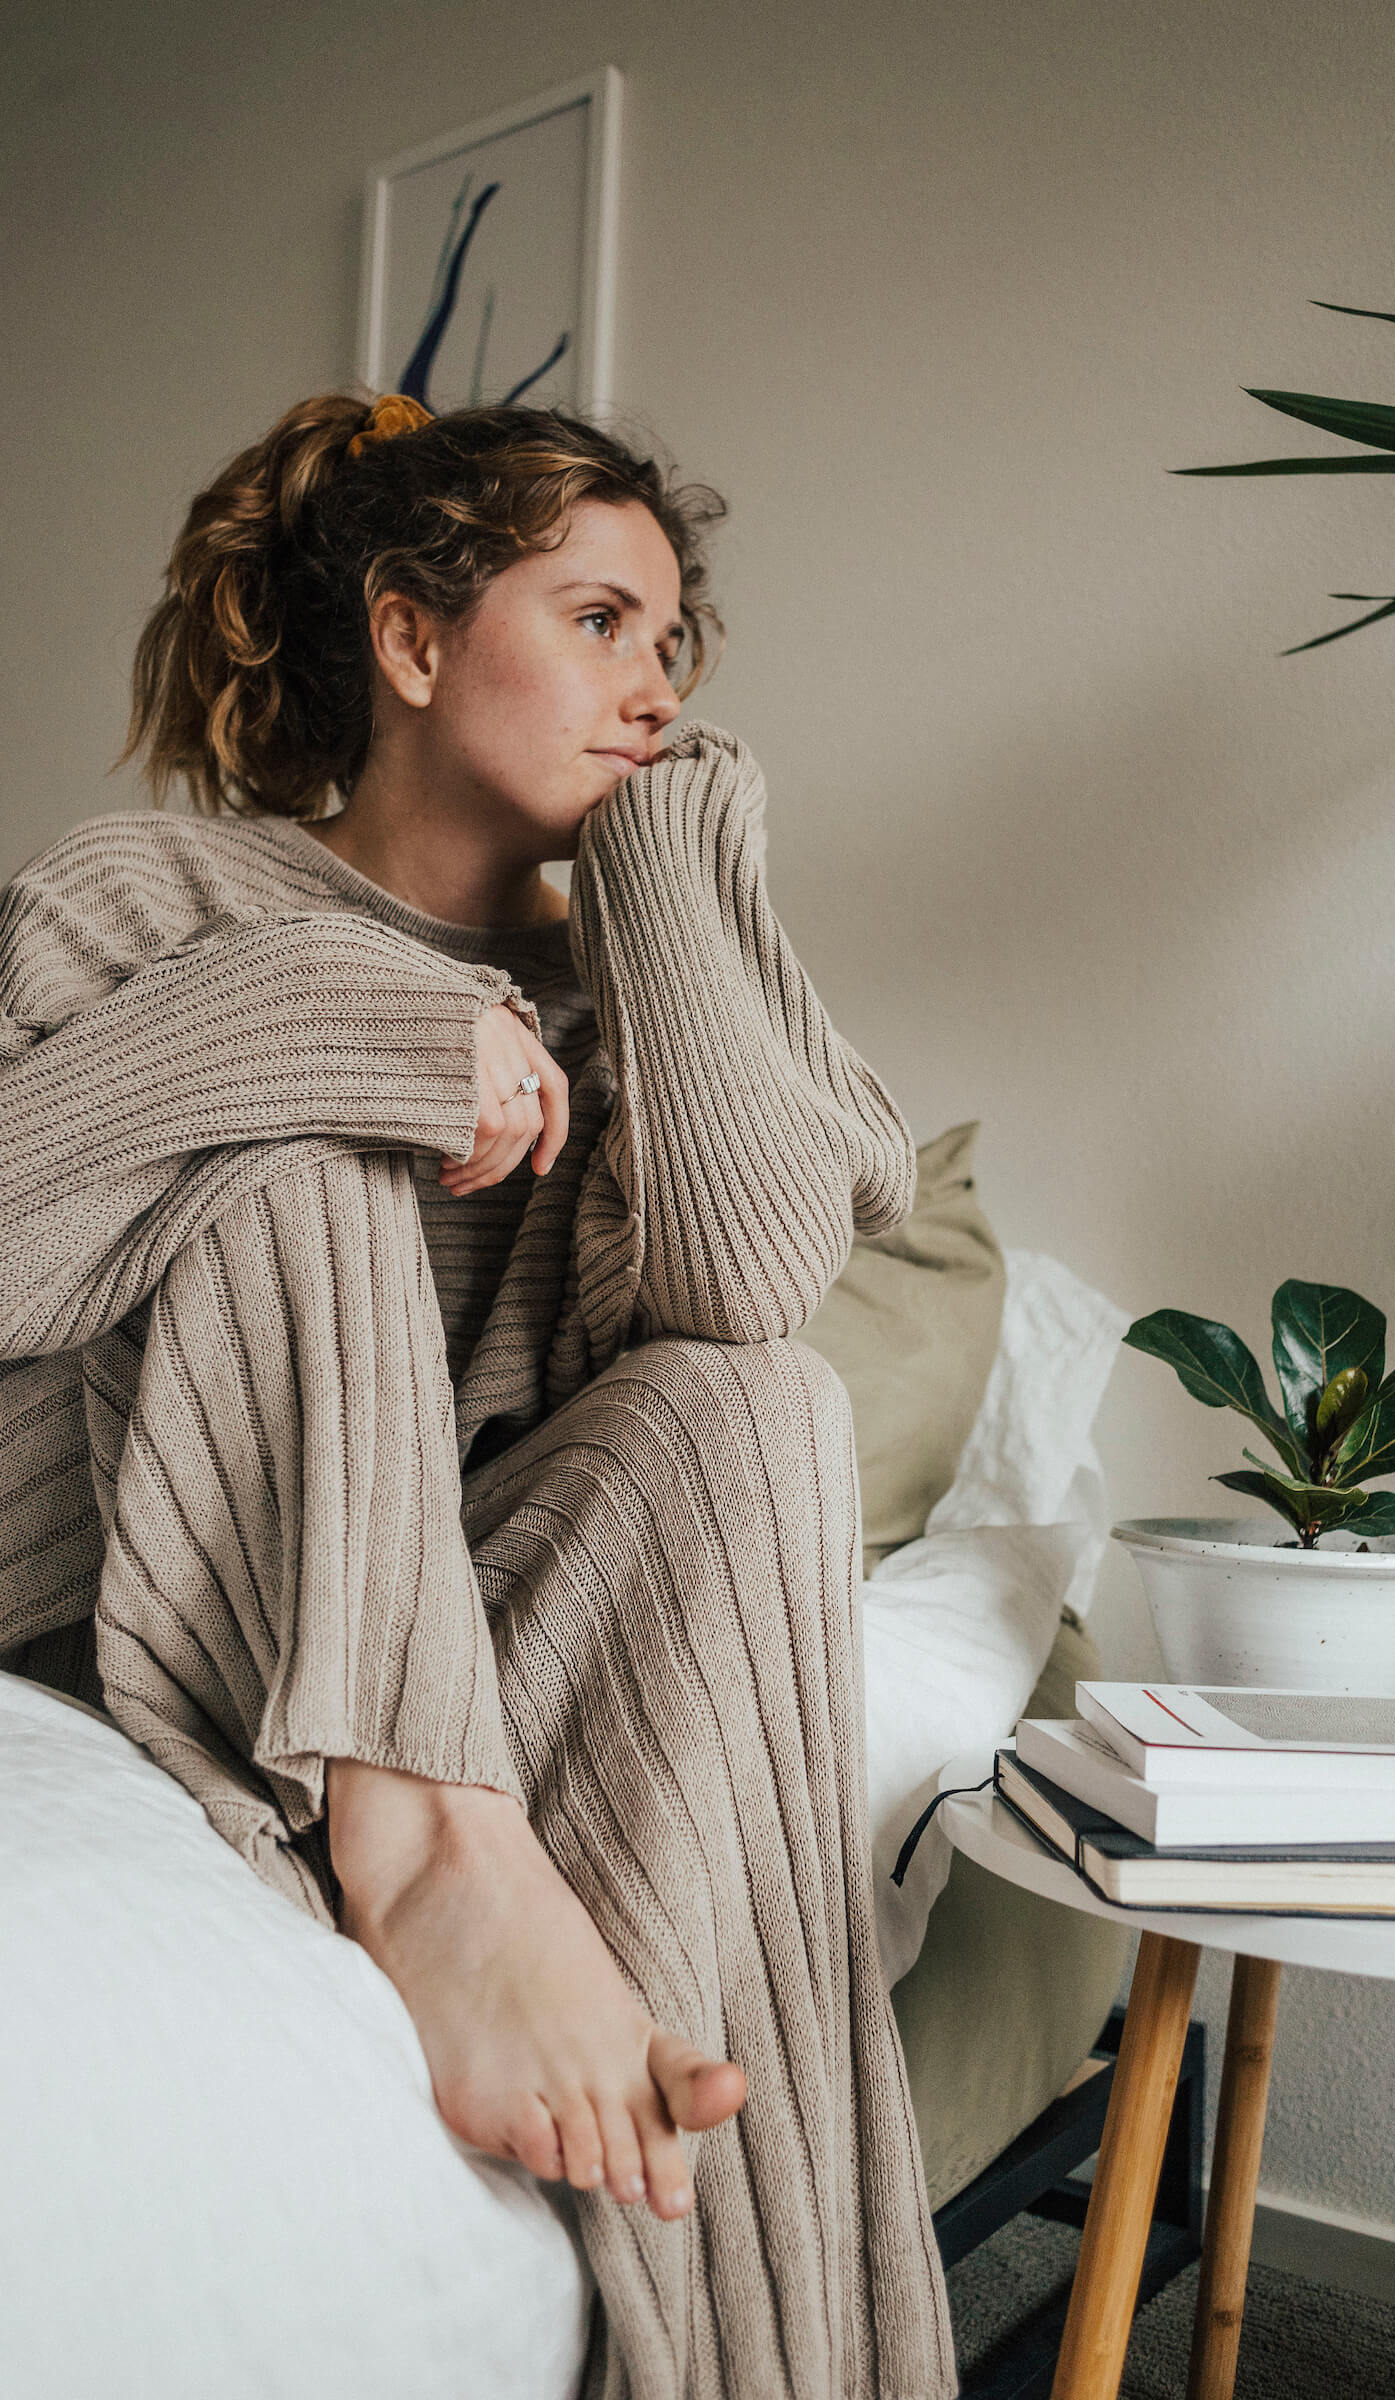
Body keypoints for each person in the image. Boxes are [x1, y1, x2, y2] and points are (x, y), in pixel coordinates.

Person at [0, 391, 955, 2399]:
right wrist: (337, 1021)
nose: (653, 688)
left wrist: (679, 872)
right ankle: (429, 1858)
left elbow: (747, 1282)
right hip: (113, 1559)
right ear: (413, 642)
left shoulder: (645, 952)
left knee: (760, 1411)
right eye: (599, 619)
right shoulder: (145, 896)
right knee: (307, 1144)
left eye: (673, 644)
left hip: (437, 1607)